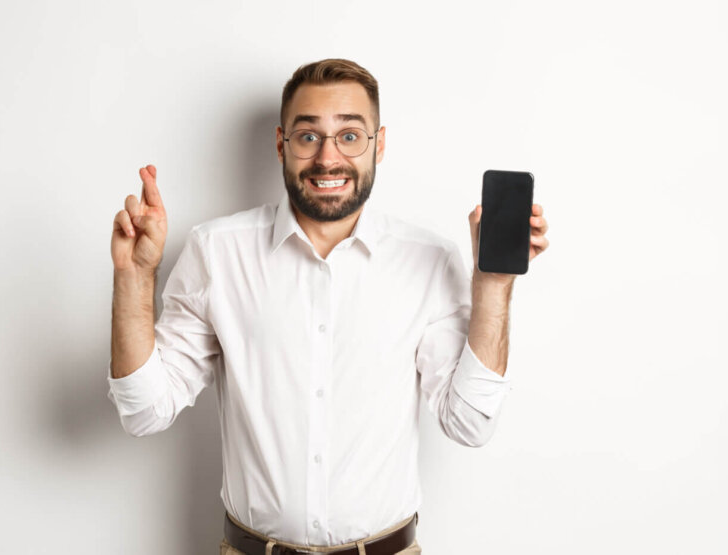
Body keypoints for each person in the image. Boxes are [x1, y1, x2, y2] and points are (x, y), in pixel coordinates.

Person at [108, 58, 549, 555]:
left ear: (378, 145)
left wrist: (492, 285)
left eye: (350, 135)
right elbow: (144, 411)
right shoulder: (216, 252)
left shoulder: (428, 260)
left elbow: (469, 423)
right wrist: (135, 276)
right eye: (308, 136)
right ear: (281, 144)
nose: (327, 158)